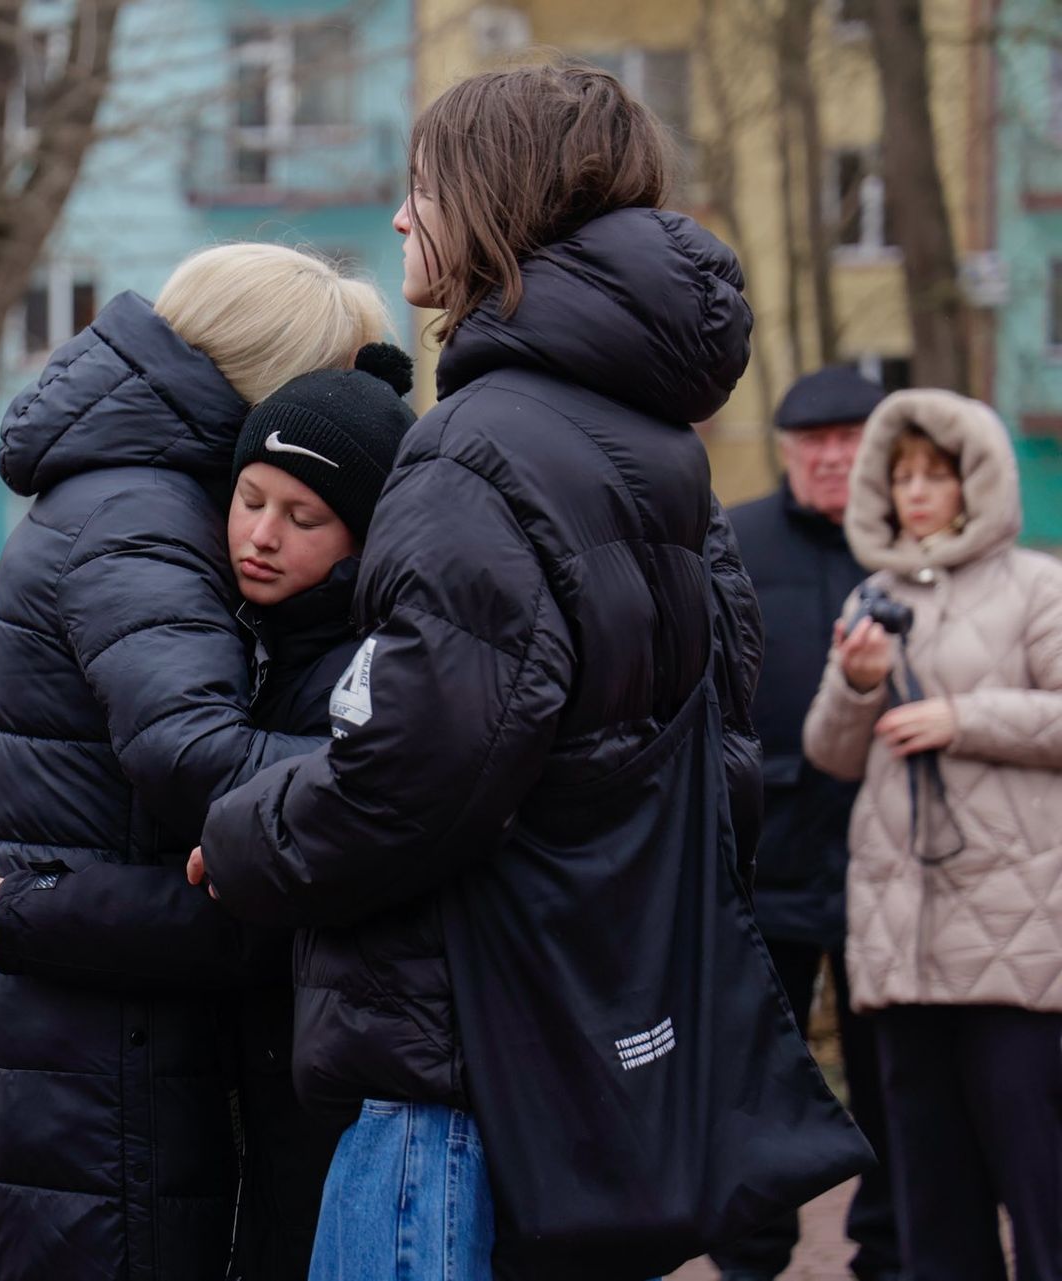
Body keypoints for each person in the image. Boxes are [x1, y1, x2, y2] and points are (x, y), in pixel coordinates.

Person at [192, 65, 759, 1280]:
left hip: (450, 1074)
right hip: (587, 1051)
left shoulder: (476, 449)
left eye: (422, 187)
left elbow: (422, 767)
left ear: (492, 201)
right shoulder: (654, 448)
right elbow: (722, 753)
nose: (401, 218)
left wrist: (243, 837)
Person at [0, 243, 389, 1281]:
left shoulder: (134, 488)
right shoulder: (140, 511)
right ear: (269, 381)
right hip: (102, 1048)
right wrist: (415, 777)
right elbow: (195, 753)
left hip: (90, 1010)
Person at [803, 389, 1062, 1281]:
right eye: (902, 474)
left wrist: (965, 715)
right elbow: (831, 753)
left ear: (977, 481)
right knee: (932, 1202)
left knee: (1043, 1188)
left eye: (936, 474)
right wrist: (859, 683)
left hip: (1019, 947)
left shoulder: (1039, 585)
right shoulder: (871, 595)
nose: (915, 493)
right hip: (901, 947)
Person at [220, 351, 413, 1280]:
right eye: (250, 497)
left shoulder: (360, 673)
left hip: (320, 1078)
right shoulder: (244, 634)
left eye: (303, 518)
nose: (261, 534)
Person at [713, 366, 899, 1281]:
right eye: (812, 443)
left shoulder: (911, 552)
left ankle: (889, 1251)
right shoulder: (735, 541)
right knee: (760, 1082)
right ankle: (752, 1257)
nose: (831, 457)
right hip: (764, 860)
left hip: (891, 864)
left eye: (849, 440)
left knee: (895, 1079)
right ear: (788, 452)